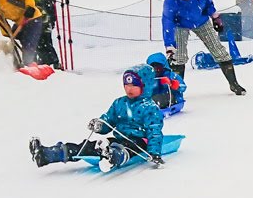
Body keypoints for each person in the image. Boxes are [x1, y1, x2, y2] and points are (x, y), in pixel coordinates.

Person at [30, 64, 165, 169]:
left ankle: (112, 156)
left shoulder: (150, 108)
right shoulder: (119, 103)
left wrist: (154, 153)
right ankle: (47, 154)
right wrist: (100, 125)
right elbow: (109, 119)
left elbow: (154, 131)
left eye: (134, 86)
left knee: (124, 148)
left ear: (145, 86)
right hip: (117, 139)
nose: (129, 89)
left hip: (138, 142)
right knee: (86, 146)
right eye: (126, 85)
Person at [162, 0, 246, 95]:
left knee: (219, 51)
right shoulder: (170, 0)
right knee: (178, 57)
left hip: (201, 21)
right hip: (180, 25)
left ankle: (234, 84)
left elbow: (208, 4)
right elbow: (167, 21)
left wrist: (215, 17)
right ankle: (176, 91)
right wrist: (169, 45)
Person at [25, 0, 61, 68]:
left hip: (44, 26)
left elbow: (51, 14)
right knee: (34, 46)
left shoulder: (45, 0)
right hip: (31, 27)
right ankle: (37, 63)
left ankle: (53, 63)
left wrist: (49, 23)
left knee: (46, 45)